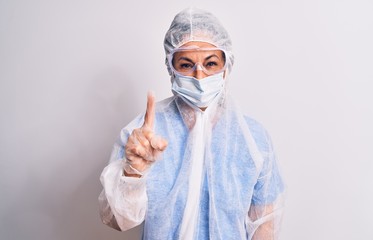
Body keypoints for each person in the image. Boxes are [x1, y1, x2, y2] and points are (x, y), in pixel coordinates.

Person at [99, 7, 285, 240]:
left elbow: (265, 227)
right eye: (186, 64)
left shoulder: (253, 139)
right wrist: (133, 172)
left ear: (226, 67)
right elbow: (118, 220)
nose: (199, 76)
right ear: (171, 67)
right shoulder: (143, 136)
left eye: (211, 64)